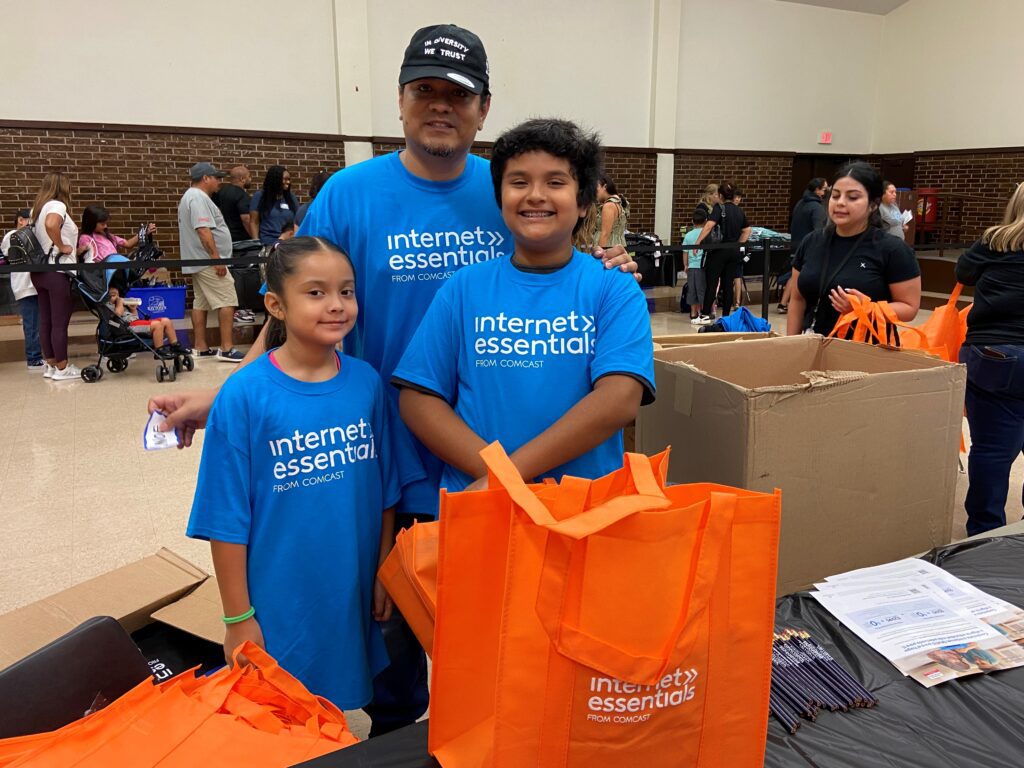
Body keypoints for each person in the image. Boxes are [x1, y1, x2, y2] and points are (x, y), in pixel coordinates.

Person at [148, 23, 635, 736]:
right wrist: (228, 393)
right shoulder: (350, 194)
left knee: (529, 646)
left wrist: (604, 266)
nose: (440, 107)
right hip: (393, 451)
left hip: (514, 452)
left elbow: (555, 261)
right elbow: (299, 297)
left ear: (483, 108)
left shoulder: (504, 186)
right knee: (397, 645)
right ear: (401, 100)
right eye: (423, 91)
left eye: (457, 96)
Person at [186, 235, 419, 711]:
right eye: (315, 293)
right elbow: (226, 520)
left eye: (347, 291)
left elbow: (385, 492)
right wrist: (238, 617)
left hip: (349, 589)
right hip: (279, 600)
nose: (336, 305)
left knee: (341, 702)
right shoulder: (245, 396)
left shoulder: (366, 383)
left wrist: (382, 572)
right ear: (276, 304)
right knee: (282, 716)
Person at [393, 118, 654, 494]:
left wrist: (507, 478)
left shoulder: (613, 287)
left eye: (555, 181)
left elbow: (619, 400)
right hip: (482, 504)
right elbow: (418, 398)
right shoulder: (464, 287)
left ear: (583, 203)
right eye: (518, 182)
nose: (535, 195)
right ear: (499, 200)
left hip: (582, 511)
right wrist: (502, 480)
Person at [955, 182, 1024, 536]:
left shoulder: (995, 240)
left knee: (994, 450)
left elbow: (962, 272)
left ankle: (985, 533)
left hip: (996, 354)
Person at [786, 162, 921, 337]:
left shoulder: (891, 249)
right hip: (812, 347)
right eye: (835, 196)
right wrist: (791, 344)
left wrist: (864, 308)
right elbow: (797, 298)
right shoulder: (812, 241)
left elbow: (909, 308)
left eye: (853, 197)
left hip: (865, 352)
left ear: (873, 205)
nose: (840, 203)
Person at [177, 162, 244, 362]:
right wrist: (217, 258)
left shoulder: (189, 197)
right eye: (217, 178)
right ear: (205, 178)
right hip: (208, 260)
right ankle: (226, 348)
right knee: (227, 299)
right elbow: (203, 230)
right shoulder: (198, 198)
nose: (219, 182)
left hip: (197, 260)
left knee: (201, 303)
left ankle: (200, 346)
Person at [31, 171, 88, 381]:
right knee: (59, 322)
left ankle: (51, 365)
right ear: (63, 187)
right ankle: (63, 368)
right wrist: (63, 246)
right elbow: (52, 225)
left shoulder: (37, 210)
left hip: (40, 272)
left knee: (45, 321)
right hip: (57, 272)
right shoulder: (57, 205)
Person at [695, 181, 750, 320]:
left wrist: (698, 242)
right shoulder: (739, 210)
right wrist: (739, 244)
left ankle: (706, 314)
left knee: (712, 282)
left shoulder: (720, 208)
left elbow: (709, 226)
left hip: (719, 251)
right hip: (734, 250)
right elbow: (747, 230)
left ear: (720, 195)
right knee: (728, 282)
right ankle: (726, 314)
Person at [1, 209, 43, 371]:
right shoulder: (12, 236)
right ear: (20, 220)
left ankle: (39, 355)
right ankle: (34, 358)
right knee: (31, 324)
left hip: (36, 284)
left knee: (38, 323)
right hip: (25, 285)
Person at [780, 177, 828, 314]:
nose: (826, 192)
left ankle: (783, 302)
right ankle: (788, 302)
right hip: (809, 246)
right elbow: (818, 230)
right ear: (817, 190)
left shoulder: (800, 203)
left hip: (796, 243)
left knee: (794, 274)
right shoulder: (817, 208)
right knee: (799, 276)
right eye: (825, 189)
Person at [107, 285, 188, 353]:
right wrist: (120, 303)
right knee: (157, 325)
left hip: (135, 323)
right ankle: (160, 349)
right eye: (113, 295)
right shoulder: (109, 305)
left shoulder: (120, 304)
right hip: (126, 326)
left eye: (117, 295)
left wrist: (133, 309)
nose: (117, 298)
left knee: (166, 321)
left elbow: (135, 318)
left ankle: (175, 345)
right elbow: (118, 314)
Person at [78, 205, 156, 263]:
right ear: (91, 223)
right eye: (102, 224)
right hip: (103, 272)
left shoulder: (107, 235)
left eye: (106, 223)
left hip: (115, 268)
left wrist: (144, 233)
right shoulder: (85, 238)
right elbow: (91, 259)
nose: (105, 226)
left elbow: (128, 244)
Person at [250, 165, 299, 245]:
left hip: (287, 242)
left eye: (289, 179)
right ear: (275, 179)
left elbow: (297, 220)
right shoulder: (260, 196)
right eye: (285, 179)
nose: (288, 182)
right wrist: (256, 242)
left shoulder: (291, 197)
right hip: (268, 242)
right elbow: (254, 221)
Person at [213, 165, 255, 242]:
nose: (250, 179)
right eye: (249, 176)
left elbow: (216, 209)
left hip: (226, 235)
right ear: (242, 179)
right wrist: (254, 238)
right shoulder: (242, 195)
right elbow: (245, 219)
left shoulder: (222, 191)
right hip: (241, 239)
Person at [683, 208, 708, 323]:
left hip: (692, 266)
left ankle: (693, 312)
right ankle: (703, 312)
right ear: (706, 221)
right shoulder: (707, 234)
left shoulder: (688, 235)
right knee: (702, 289)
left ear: (693, 221)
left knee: (692, 289)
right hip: (703, 266)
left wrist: (685, 265)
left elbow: (685, 252)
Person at [593, 174, 629, 249]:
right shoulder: (618, 202)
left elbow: (605, 234)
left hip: (608, 249)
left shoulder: (609, 205)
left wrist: (599, 254)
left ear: (605, 187)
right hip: (617, 247)